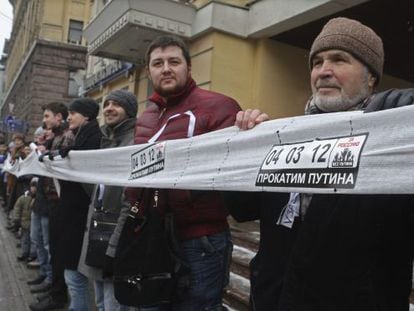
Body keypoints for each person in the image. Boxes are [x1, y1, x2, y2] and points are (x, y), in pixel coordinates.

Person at [230, 17, 414, 311]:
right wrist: (243, 151)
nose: (323, 71)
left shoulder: (395, 144)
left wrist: (400, 115)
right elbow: (242, 208)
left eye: (339, 60)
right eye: (317, 62)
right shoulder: (285, 140)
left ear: (371, 78)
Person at [109, 35, 241, 310]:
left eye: (174, 61)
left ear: (188, 68)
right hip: (151, 237)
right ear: (149, 72)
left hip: (201, 241)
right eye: (158, 63)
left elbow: (235, 170)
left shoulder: (221, 106)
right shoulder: (146, 117)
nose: (166, 68)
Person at [77, 89, 138, 311]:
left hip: (116, 236)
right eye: (106, 104)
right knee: (102, 302)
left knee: (114, 305)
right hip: (98, 233)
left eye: (116, 104)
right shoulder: (106, 140)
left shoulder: (134, 141)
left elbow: (131, 200)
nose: (109, 108)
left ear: (129, 111)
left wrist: (115, 245)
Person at [53, 98, 102, 311]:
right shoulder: (78, 137)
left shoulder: (93, 139)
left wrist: (70, 155)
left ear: (88, 116)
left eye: (74, 113)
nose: (69, 117)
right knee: (72, 276)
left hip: (80, 217)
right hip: (72, 214)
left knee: (75, 277)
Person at [29, 102, 74, 311]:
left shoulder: (66, 136)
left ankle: (58, 295)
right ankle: (54, 289)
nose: (44, 121)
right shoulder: (54, 137)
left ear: (58, 117)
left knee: (56, 251)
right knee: (51, 249)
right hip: (49, 200)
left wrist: (47, 153)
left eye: (47, 116)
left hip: (58, 202)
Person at [14, 178, 38, 262]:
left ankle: (32, 255)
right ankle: (24, 253)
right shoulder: (24, 197)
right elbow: (17, 207)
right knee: (25, 239)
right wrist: (16, 219)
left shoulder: (39, 199)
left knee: (33, 240)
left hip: (34, 223)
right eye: (32, 186)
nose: (33, 188)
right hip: (25, 222)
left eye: (35, 186)